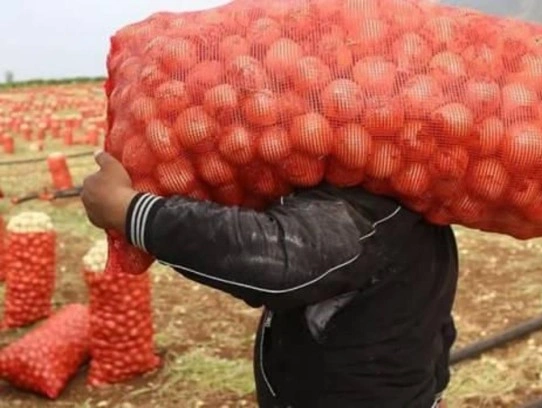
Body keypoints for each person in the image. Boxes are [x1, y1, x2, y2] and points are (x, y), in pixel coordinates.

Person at [82, 151, 458, 408]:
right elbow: (437, 326)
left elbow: (275, 260)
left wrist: (131, 212)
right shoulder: (414, 204)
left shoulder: (366, 213)